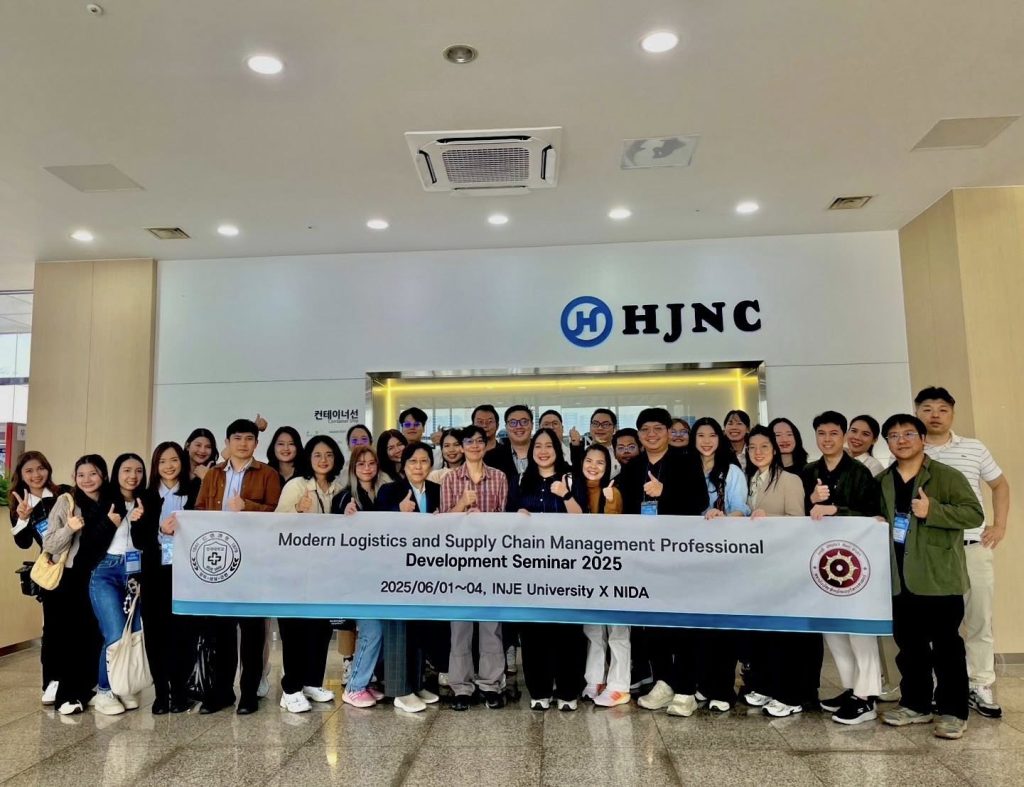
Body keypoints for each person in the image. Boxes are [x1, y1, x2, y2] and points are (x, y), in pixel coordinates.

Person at [878, 413, 983, 740]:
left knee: (947, 647)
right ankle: (916, 705)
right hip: (899, 578)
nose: (901, 440)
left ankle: (954, 711)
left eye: (909, 433)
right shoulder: (883, 480)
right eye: (894, 436)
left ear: (923, 438)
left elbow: (974, 514)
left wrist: (933, 510)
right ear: (888, 443)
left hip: (938, 577)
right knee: (909, 647)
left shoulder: (946, 476)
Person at [916, 386, 1011, 719]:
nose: (935, 415)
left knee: (979, 618)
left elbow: (999, 484)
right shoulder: (913, 450)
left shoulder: (974, 447)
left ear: (952, 414)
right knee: (935, 623)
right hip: (931, 551)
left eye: (942, 409)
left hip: (972, 546)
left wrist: (999, 525)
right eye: (927, 408)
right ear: (917, 412)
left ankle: (980, 684)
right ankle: (936, 686)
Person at [620, 407, 709, 717]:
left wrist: (664, 492)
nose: (652, 434)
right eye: (645, 429)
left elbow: (699, 501)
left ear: (669, 432)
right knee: (654, 624)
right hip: (645, 556)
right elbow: (623, 508)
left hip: (679, 554)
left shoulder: (687, 460)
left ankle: (686, 689)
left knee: (682, 623)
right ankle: (663, 681)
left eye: (658, 428)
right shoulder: (633, 467)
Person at [195, 418, 282, 715]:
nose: (243, 443)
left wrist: (249, 507)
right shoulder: (213, 474)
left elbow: (277, 514)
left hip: (254, 561)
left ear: (256, 443)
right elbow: (199, 511)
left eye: (249, 438)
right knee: (221, 630)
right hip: (219, 560)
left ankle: (248, 693)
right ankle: (222, 692)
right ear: (227, 442)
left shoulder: (268, 474)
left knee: (252, 631)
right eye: (237, 438)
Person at [802, 411, 882, 725]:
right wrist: (811, 500)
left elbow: (874, 514)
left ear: (844, 435)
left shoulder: (860, 472)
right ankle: (851, 688)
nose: (827, 439)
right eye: (821, 433)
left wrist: (836, 509)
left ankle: (867, 696)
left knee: (858, 627)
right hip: (820, 560)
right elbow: (799, 514)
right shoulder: (809, 471)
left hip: (854, 562)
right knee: (833, 627)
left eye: (834, 433)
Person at [739, 426, 814, 717]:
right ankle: (766, 685)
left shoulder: (790, 480)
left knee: (785, 635)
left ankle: (790, 694)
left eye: (764, 447)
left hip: (784, 565)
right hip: (758, 568)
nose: (758, 452)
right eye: (752, 447)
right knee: (764, 632)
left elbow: (798, 521)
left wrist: (768, 517)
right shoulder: (751, 480)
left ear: (775, 449)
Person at [367, 442, 444, 713]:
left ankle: (416, 683)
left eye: (424, 461)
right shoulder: (390, 490)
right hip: (396, 571)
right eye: (413, 461)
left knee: (419, 628)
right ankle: (400, 690)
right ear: (404, 465)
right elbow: (376, 523)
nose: (419, 467)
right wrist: (398, 511)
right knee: (398, 627)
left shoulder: (437, 490)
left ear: (431, 465)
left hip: (426, 571)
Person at [514, 429, 586, 711]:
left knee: (567, 631)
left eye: (548, 446)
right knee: (534, 631)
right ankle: (539, 690)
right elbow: (509, 515)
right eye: (538, 446)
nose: (543, 451)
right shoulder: (523, 480)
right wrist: (518, 515)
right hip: (531, 568)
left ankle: (568, 691)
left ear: (557, 449)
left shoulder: (571, 477)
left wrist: (565, 495)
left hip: (567, 567)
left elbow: (583, 518)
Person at [440, 424, 510, 710]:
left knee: (491, 626)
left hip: (491, 561)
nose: (474, 446)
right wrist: (462, 504)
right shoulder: (450, 479)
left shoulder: (499, 477)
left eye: (479, 441)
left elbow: (505, 520)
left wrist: (486, 520)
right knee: (460, 626)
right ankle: (461, 686)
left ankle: (491, 684)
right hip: (459, 563)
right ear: (462, 446)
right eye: (469, 441)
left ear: (485, 444)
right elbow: (444, 522)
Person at [274, 436, 346, 713]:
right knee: (295, 628)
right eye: (317, 455)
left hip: (326, 570)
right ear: (309, 458)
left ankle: (312, 681)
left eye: (329, 454)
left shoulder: (339, 488)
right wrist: (297, 510)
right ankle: (291, 688)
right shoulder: (297, 485)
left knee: (320, 627)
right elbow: (276, 523)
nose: (323, 460)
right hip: (294, 569)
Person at [40, 455, 110, 715]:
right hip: (70, 578)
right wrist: (69, 528)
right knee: (71, 637)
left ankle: (87, 688)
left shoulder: (109, 502)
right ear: (74, 478)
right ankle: (67, 696)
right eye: (81, 475)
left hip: (100, 575)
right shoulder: (67, 501)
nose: (87, 480)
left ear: (103, 475)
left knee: (93, 634)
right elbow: (50, 543)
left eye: (93, 474)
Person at [131, 442, 197, 714]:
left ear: (182, 462)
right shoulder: (144, 496)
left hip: (187, 574)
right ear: (155, 466)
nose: (169, 466)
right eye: (162, 461)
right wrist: (158, 530)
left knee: (184, 633)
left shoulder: (195, 490)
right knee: (156, 633)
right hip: (155, 575)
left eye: (174, 460)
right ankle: (160, 694)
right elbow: (138, 539)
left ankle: (180, 691)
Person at [692, 417, 749, 712]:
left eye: (712, 435)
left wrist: (724, 517)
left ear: (720, 438)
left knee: (723, 624)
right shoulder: (687, 469)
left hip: (725, 554)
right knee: (699, 625)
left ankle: (723, 689)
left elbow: (741, 508)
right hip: (692, 557)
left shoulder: (732, 471)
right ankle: (703, 683)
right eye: (700, 435)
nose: (706, 441)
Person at [87, 452, 148, 716]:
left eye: (138, 470)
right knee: (114, 634)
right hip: (106, 571)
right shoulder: (105, 500)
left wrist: (141, 522)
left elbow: (148, 542)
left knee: (133, 632)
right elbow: (90, 542)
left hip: (135, 571)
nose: (133, 476)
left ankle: (123, 685)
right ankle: (104, 691)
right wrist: (110, 523)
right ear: (116, 473)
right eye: (127, 470)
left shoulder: (146, 501)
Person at [9, 450, 68, 705]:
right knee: (53, 628)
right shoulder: (21, 504)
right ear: (21, 475)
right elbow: (23, 543)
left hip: (76, 566)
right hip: (52, 571)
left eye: (40, 468)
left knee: (78, 626)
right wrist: (22, 518)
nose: (36, 475)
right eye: (29, 471)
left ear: (48, 469)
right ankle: (51, 682)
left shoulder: (63, 493)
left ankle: (78, 680)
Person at [576, 443, 629, 708]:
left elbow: (614, 529)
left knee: (617, 628)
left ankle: (619, 685)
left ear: (608, 466)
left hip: (614, 569)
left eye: (600, 462)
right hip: (584, 569)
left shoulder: (613, 490)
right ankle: (595, 679)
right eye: (589, 460)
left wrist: (609, 502)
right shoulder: (575, 489)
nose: (593, 466)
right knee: (593, 628)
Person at [334, 445, 391, 514]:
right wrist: (344, 514)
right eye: (361, 464)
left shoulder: (387, 492)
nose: (367, 468)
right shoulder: (343, 497)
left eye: (371, 463)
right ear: (353, 467)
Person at [485, 404, 534, 484]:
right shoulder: (490, 458)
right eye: (513, 422)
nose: (518, 426)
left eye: (524, 422)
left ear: (532, 425)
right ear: (506, 427)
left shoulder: (545, 453)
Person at [184, 427, 218, 498]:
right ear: (188, 446)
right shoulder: (177, 470)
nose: (202, 450)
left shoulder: (217, 474)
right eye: (198, 445)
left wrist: (206, 478)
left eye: (208, 447)